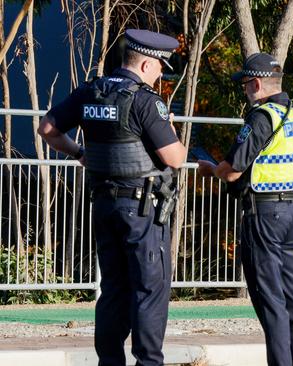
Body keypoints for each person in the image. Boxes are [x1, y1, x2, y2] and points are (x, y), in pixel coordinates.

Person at [38, 29, 186, 366]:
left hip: (103, 204)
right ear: (147, 64)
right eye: (160, 67)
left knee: (113, 289)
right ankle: (148, 362)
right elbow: (175, 158)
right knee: (149, 291)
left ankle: (109, 362)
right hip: (141, 209)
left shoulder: (91, 92)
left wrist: (79, 152)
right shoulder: (146, 101)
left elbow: (47, 128)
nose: (162, 73)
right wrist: (171, 129)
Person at [197, 52, 293, 366]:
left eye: (245, 84)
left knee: (270, 300)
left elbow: (234, 169)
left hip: (265, 215)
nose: (244, 91)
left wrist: (212, 170)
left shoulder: (262, 116)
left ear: (256, 83)